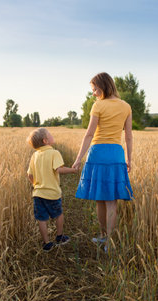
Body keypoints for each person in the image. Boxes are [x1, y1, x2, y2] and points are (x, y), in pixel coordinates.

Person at [72, 72, 133, 251]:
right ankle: (109, 242)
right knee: (111, 201)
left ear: (103, 86)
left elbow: (89, 134)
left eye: (95, 89)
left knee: (99, 197)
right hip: (115, 153)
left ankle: (103, 236)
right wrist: (129, 159)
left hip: (98, 153)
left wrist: (78, 159)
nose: (93, 93)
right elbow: (128, 136)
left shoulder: (98, 105)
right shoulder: (126, 106)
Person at [27, 128, 77, 252]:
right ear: (45, 140)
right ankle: (59, 237)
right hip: (52, 193)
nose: (52, 135)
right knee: (59, 215)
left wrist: (36, 185)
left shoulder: (34, 155)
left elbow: (29, 175)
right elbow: (59, 169)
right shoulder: (54, 153)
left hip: (38, 193)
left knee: (41, 219)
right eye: (50, 134)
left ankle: (46, 243)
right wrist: (73, 170)